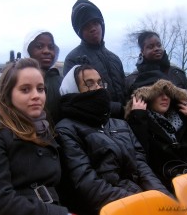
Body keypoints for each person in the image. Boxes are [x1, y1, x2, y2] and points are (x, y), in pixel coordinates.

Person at [55, 65, 171, 215]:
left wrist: (164, 197)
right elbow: (87, 185)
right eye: (89, 83)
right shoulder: (66, 130)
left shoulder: (119, 123)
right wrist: (140, 202)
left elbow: (142, 168)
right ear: (73, 90)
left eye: (100, 82)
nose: (98, 88)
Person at [0, 58, 69, 215]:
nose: (36, 96)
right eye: (25, 90)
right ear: (7, 94)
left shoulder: (45, 129)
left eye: (40, 89)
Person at [124, 79, 187, 190]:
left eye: (168, 94)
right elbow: (141, 158)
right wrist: (138, 119)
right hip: (160, 186)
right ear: (147, 97)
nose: (165, 98)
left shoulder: (182, 118)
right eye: (159, 94)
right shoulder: (139, 122)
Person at [63, 0, 125, 118]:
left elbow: (125, 91)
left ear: (102, 25)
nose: (93, 28)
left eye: (95, 23)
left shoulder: (115, 59)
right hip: (95, 125)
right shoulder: (73, 59)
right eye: (86, 26)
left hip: (123, 124)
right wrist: (118, 109)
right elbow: (74, 100)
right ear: (79, 33)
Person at [125, 30, 187, 98]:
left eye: (159, 45)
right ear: (142, 51)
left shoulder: (178, 74)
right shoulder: (132, 80)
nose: (157, 49)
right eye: (150, 47)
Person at [23, 29, 62, 125]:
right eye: (39, 46)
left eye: (51, 47)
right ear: (28, 50)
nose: (46, 51)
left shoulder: (62, 81)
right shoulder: (19, 80)